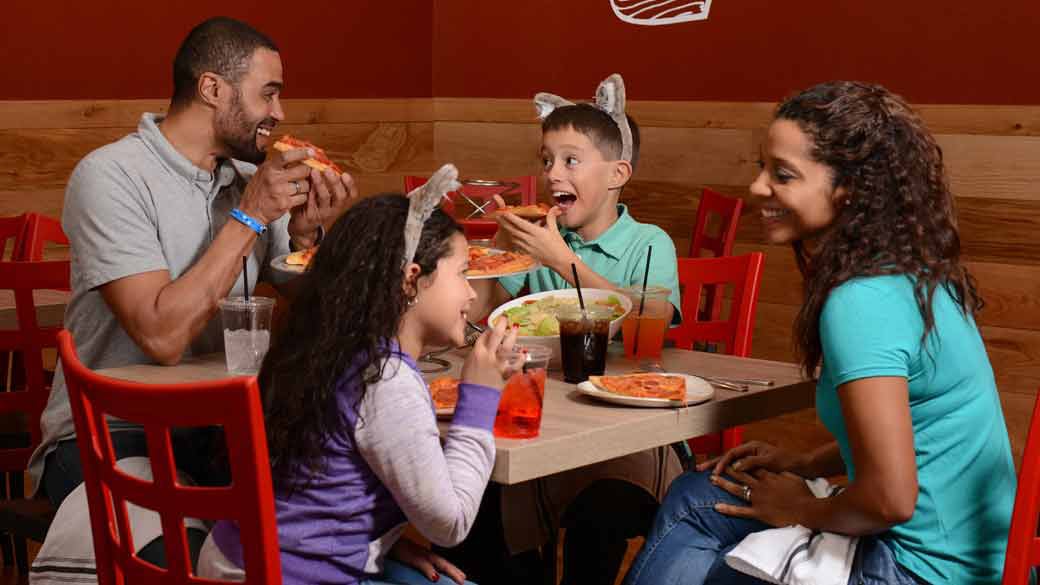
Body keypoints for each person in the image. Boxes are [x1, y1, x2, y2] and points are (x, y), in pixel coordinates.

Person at [624, 81, 1015, 585]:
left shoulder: (859, 302)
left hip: (920, 569)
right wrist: (806, 462)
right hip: (969, 557)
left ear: (848, 189)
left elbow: (890, 500)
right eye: (761, 167)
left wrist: (799, 508)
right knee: (698, 494)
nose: (757, 187)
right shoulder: (914, 275)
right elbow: (913, 432)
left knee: (705, 532)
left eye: (782, 174)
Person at [28, 16, 355, 564]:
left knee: (328, 541)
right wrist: (250, 216)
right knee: (203, 563)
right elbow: (162, 336)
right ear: (212, 89)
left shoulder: (248, 179)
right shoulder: (110, 176)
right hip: (109, 436)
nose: (279, 113)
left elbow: (315, 314)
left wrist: (308, 239)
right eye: (268, 93)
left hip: (225, 432)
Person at [197, 168, 521, 585]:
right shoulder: (386, 380)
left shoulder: (327, 348)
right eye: (462, 273)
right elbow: (450, 524)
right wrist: (479, 394)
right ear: (412, 279)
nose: (472, 293)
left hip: (238, 558)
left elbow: (317, 491)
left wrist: (382, 542)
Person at [461, 75, 683, 585]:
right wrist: (499, 249)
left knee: (598, 517)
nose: (552, 174)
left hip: (625, 429)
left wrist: (562, 261)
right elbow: (480, 314)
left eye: (570, 161)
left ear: (617, 173)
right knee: (484, 499)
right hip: (545, 418)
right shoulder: (544, 235)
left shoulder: (649, 243)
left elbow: (652, 320)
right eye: (546, 161)